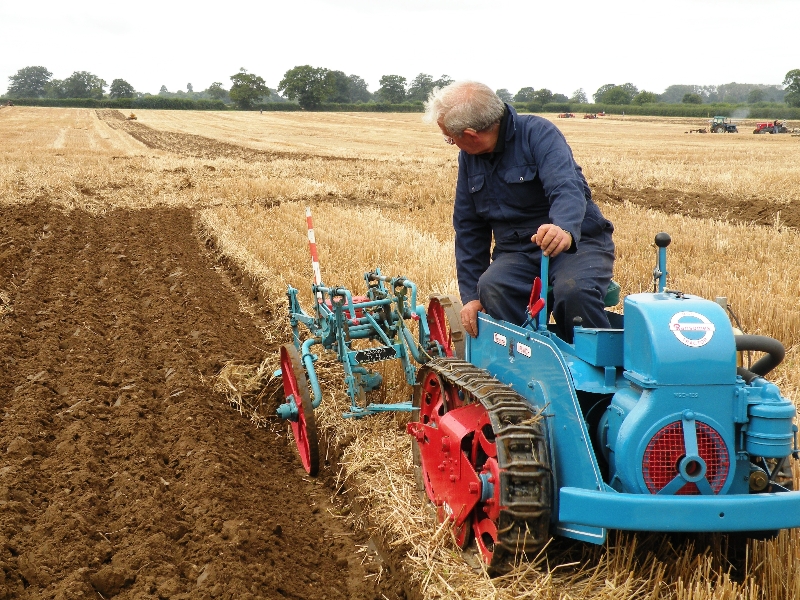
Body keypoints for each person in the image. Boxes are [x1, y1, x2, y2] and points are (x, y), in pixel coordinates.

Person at [423, 81, 615, 343]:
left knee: (574, 292)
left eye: (450, 138)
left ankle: (599, 371)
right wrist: (472, 297)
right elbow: (469, 228)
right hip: (516, 253)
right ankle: (523, 363)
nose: (451, 143)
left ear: (470, 134)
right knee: (492, 286)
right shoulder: (469, 158)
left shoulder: (538, 133)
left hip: (577, 245)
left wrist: (564, 228)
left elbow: (566, 187)